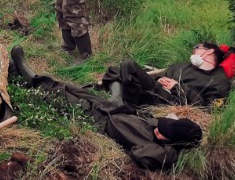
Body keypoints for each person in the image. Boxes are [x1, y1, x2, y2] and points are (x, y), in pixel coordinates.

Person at [11, 46, 204, 170]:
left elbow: (140, 155)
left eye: (163, 134)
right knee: (69, 86)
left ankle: (25, 72)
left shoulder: (162, 152)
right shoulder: (164, 127)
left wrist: (167, 147)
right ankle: (22, 74)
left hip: (98, 120)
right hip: (111, 107)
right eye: (163, 127)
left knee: (55, 93)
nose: (159, 131)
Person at [102, 42, 231, 109]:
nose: (193, 51)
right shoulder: (181, 66)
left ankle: (126, 102)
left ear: (209, 51)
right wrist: (160, 79)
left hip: (173, 102)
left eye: (196, 47)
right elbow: (158, 79)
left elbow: (208, 109)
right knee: (119, 68)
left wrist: (177, 87)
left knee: (128, 66)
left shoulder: (218, 81)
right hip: (156, 88)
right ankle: (121, 98)